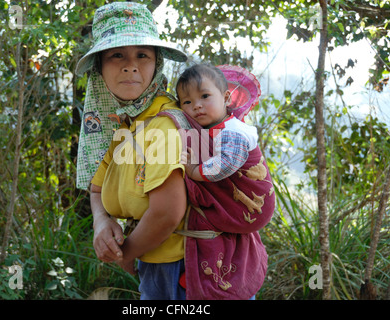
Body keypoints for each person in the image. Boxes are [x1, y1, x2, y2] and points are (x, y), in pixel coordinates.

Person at [74, 2, 188, 300]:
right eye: (116, 55)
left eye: (142, 55)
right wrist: (101, 221)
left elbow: (167, 213)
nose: (130, 65)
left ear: (157, 63)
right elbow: (97, 187)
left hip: (182, 273)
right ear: (99, 66)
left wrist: (125, 253)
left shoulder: (163, 125)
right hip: (153, 266)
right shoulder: (125, 123)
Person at [166, 63, 276, 299]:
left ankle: (210, 282)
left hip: (251, 203)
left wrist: (195, 172)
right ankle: (204, 276)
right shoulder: (212, 130)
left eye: (205, 96)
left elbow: (226, 164)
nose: (196, 105)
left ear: (226, 98)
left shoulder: (233, 131)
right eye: (187, 102)